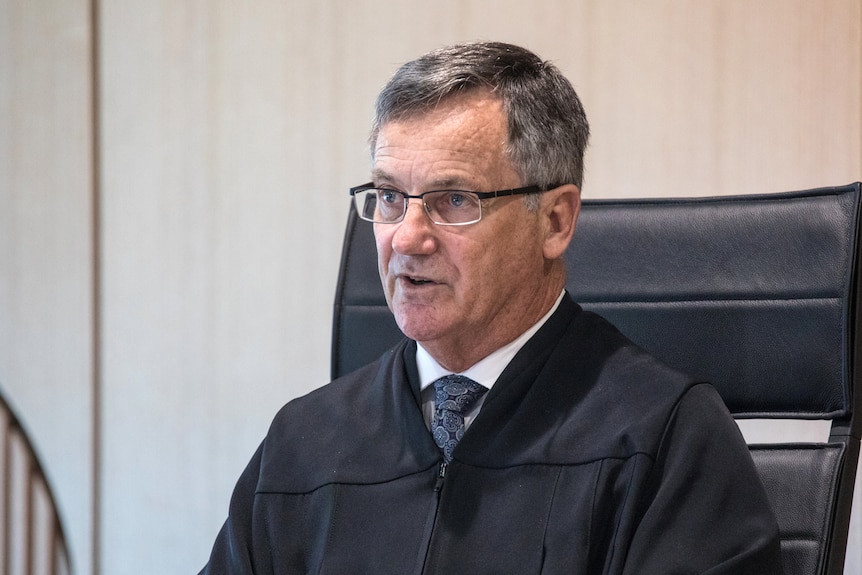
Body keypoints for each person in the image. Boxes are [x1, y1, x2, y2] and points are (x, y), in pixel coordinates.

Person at [200, 41, 782, 574]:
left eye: (454, 200)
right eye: (388, 198)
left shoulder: (662, 437)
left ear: (555, 221)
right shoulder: (304, 443)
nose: (405, 238)